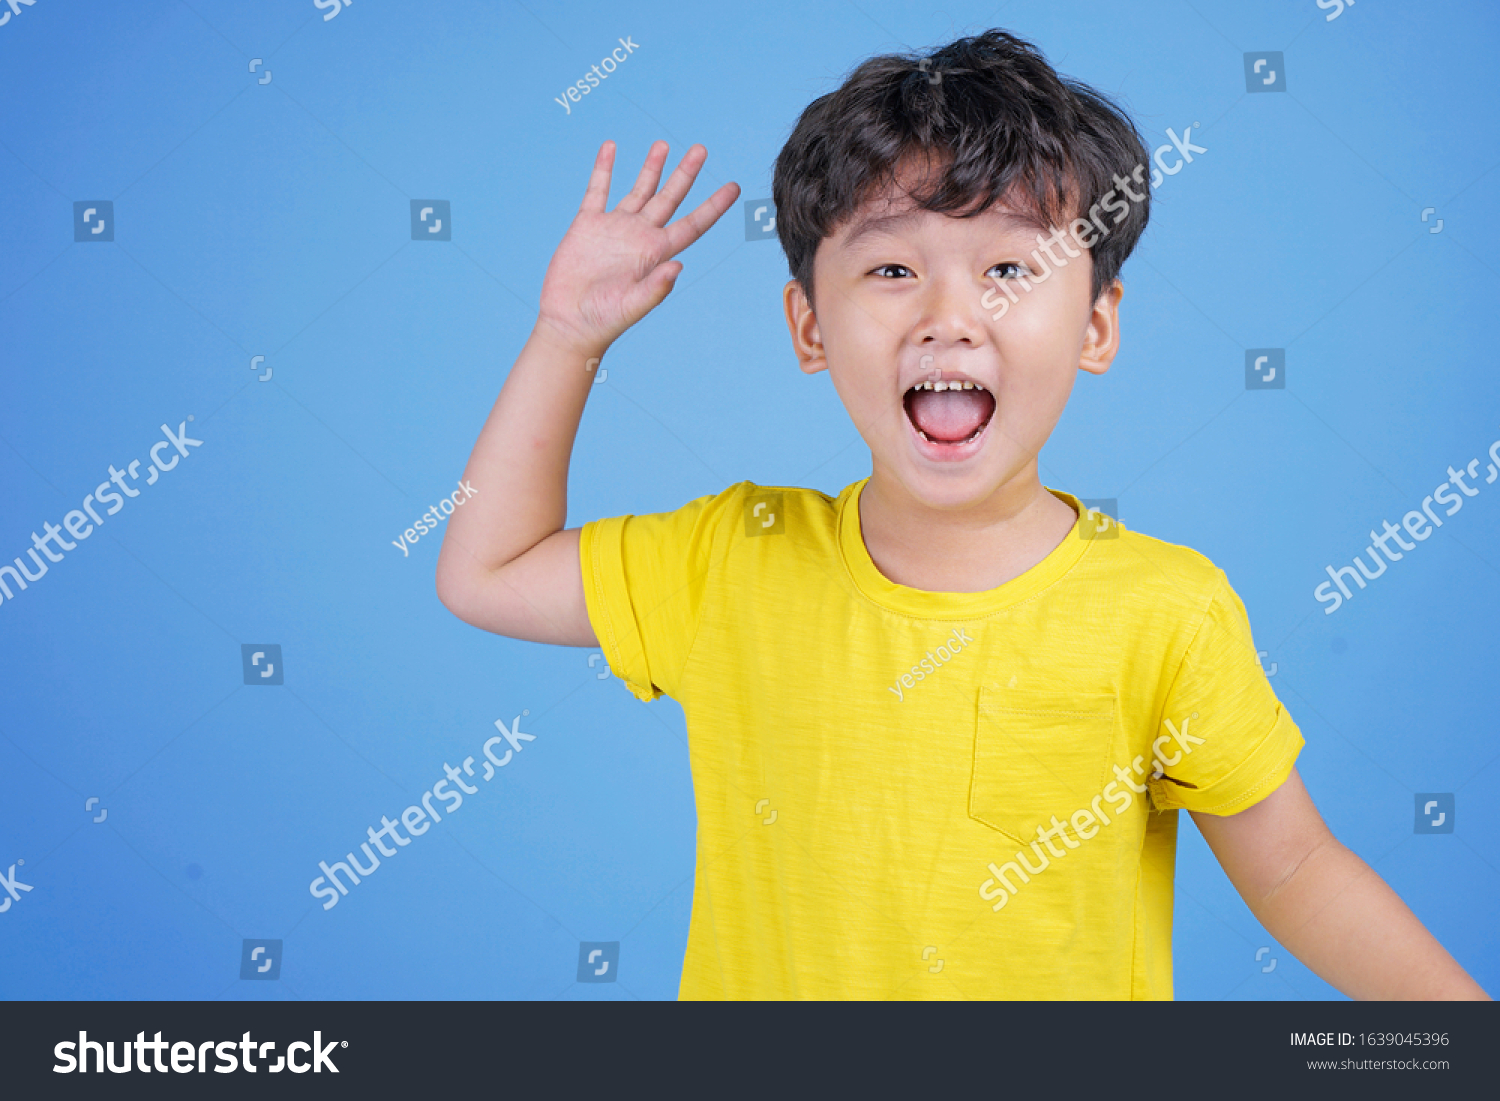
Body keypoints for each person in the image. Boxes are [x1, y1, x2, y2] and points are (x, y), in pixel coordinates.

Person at [436, 29, 1489, 1000]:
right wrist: (566, 339)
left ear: (1097, 324)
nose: (950, 317)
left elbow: (1298, 867)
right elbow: (488, 569)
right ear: (809, 325)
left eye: (1009, 270)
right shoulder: (730, 560)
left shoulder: (1167, 611)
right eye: (891, 269)